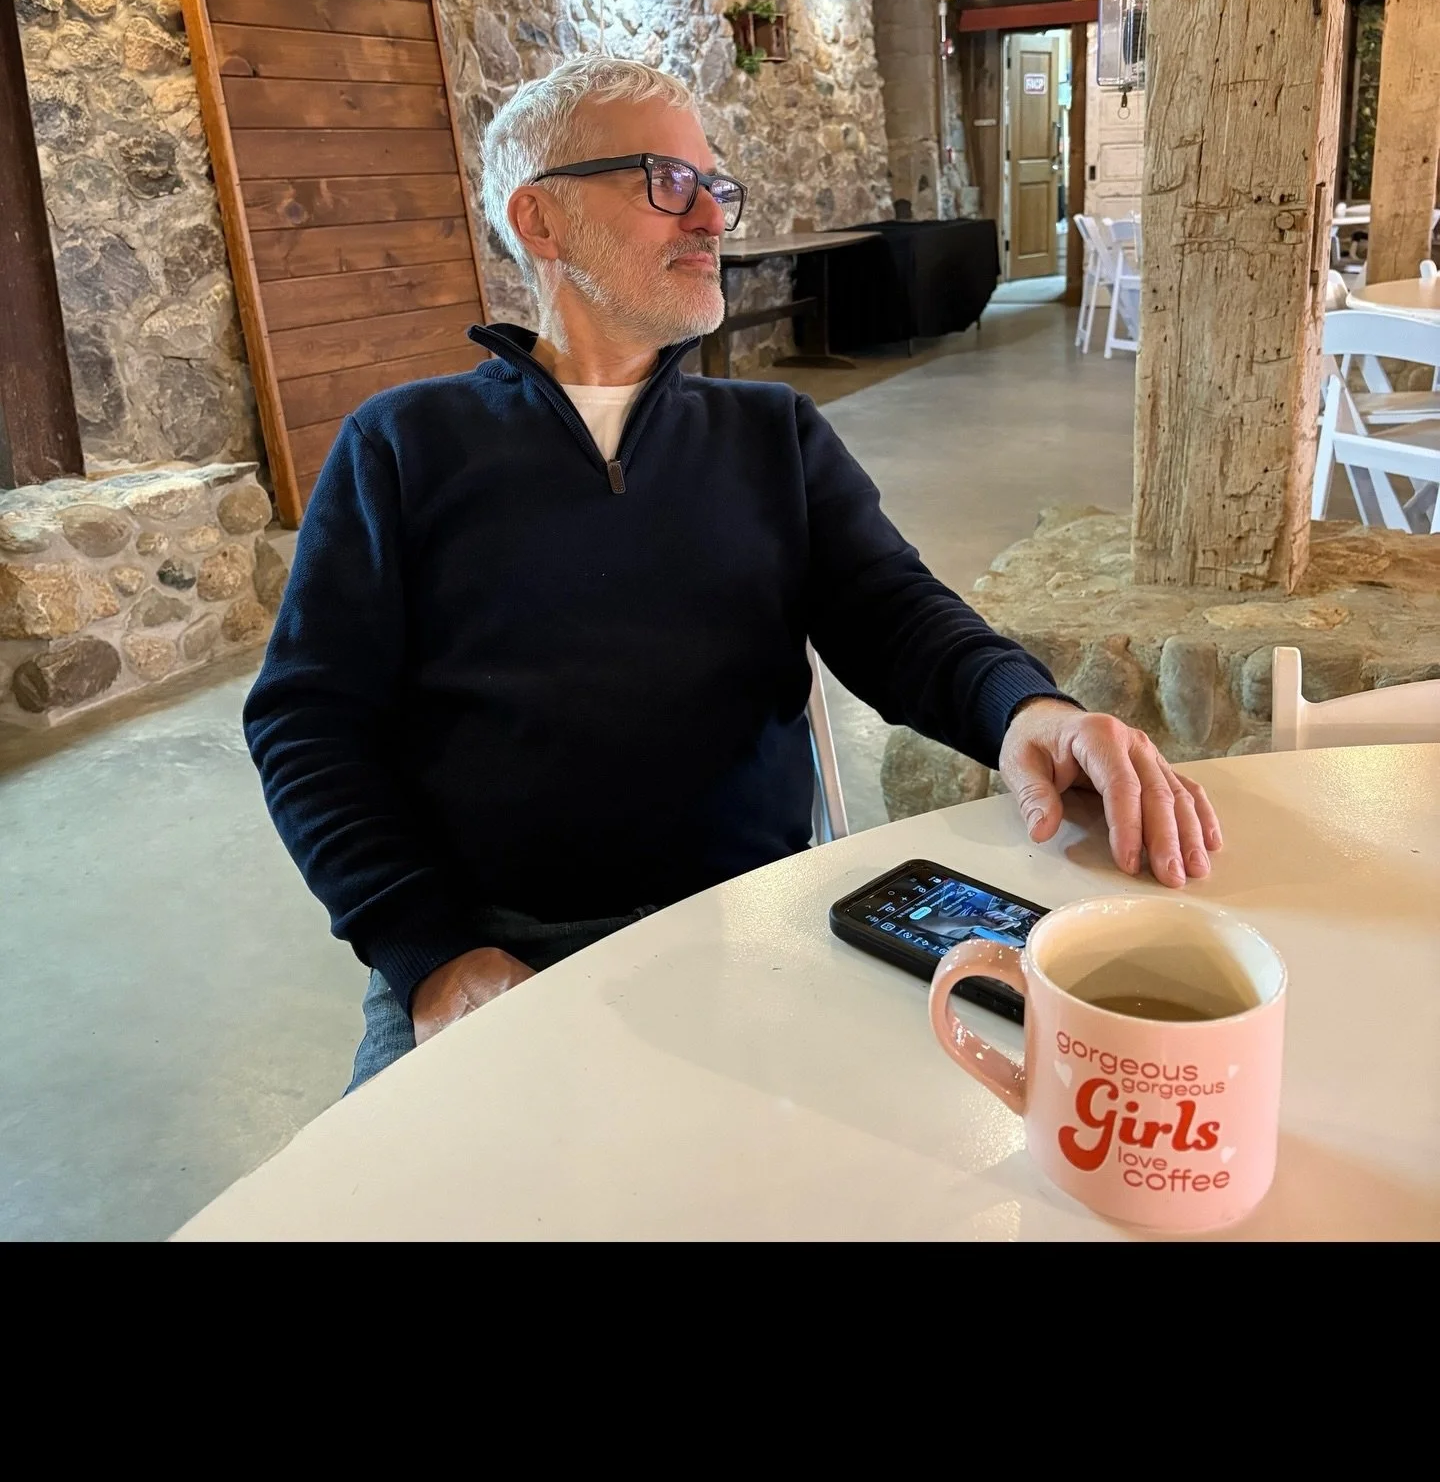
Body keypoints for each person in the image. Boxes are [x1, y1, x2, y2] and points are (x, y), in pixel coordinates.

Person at [244, 56, 1222, 1091]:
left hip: (752, 920)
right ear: (540, 219)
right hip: (498, 947)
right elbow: (308, 721)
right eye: (668, 182)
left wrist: (1027, 711)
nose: (712, 217)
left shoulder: (771, 433)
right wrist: (430, 953)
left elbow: (892, 614)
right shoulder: (404, 445)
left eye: (715, 185)